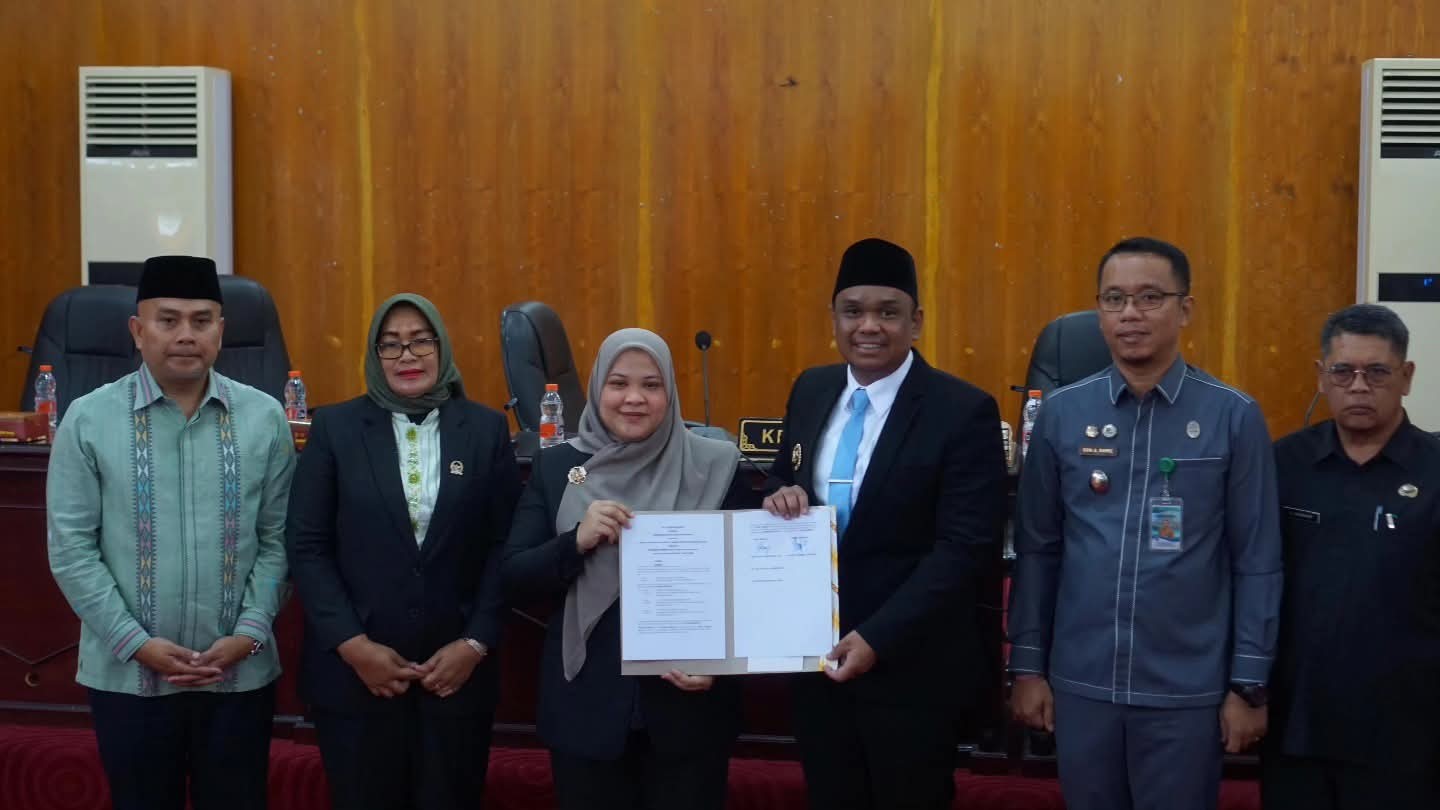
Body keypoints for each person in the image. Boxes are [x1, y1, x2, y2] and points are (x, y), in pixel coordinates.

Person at [1007, 236, 1282, 810]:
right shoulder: (1062, 415)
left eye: (1150, 297)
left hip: (1187, 690)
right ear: (1099, 310)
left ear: (1185, 309)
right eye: (1115, 299)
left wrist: (1248, 683)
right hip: (1082, 686)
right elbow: (1037, 549)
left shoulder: (1233, 416)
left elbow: (1257, 559)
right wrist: (1027, 667)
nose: (1131, 314)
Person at [763, 238, 1007, 809]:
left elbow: (964, 549)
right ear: (834, 319)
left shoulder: (962, 410)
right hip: (817, 663)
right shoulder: (812, 388)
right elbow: (780, 478)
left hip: (911, 671)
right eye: (853, 311)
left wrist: (878, 638)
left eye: (887, 312)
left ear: (916, 321)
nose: (868, 326)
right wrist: (780, 496)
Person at [46, 255, 294, 810]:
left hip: (239, 675)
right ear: (137, 330)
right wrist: (137, 644)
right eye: (168, 319)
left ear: (222, 331)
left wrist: (249, 633)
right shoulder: (87, 420)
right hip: (128, 677)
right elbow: (71, 550)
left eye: (202, 320)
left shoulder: (264, 417)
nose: (186, 335)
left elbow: (280, 539)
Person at [285, 293, 520, 810]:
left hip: (455, 680)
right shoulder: (336, 428)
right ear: (373, 355)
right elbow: (307, 544)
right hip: (354, 681)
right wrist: (353, 644)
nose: (406, 356)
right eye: (390, 346)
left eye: (419, 341)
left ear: (441, 347)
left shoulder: (483, 430)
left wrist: (475, 643)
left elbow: (506, 544)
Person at [502, 328, 753, 810]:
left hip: (689, 719)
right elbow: (513, 577)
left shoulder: (716, 466)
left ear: (670, 393)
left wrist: (720, 668)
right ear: (597, 390)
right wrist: (573, 541)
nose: (634, 398)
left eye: (651, 385)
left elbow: (749, 590)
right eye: (618, 384)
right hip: (586, 714)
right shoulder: (557, 469)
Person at [1263, 303, 1440, 809]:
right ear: (1322, 377)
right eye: (1343, 371)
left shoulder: (1435, 472)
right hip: (1298, 725)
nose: (1358, 386)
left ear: (1406, 378)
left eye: (1377, 372)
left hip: (1407, 734)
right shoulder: (1284, 463)